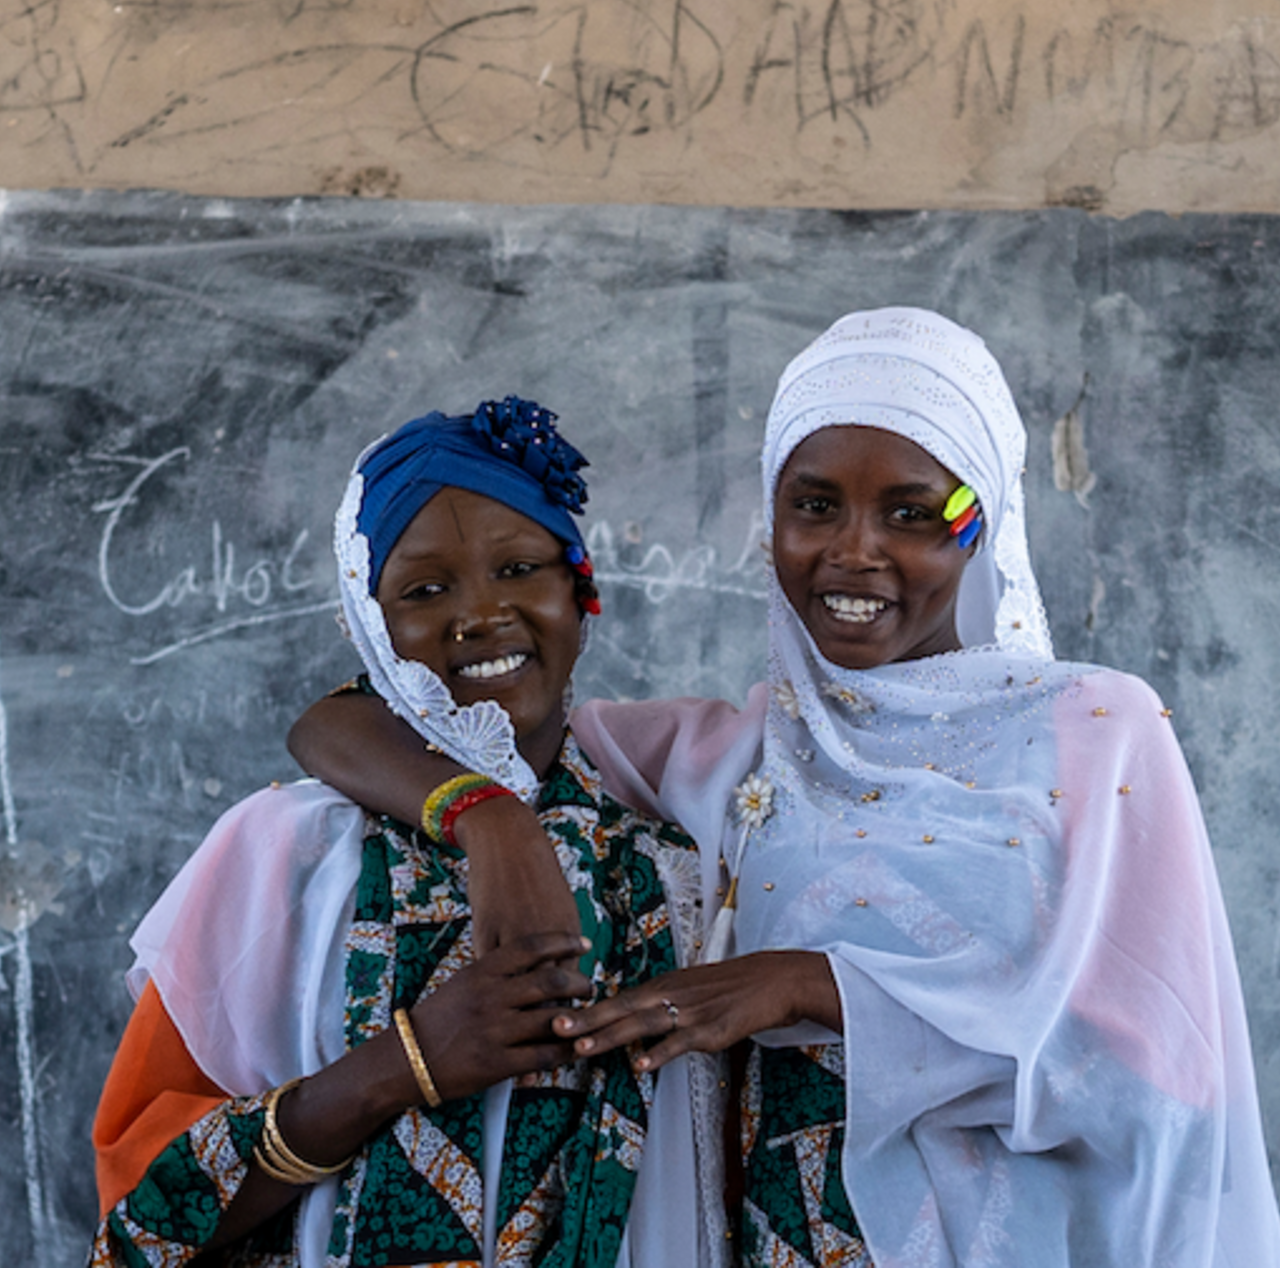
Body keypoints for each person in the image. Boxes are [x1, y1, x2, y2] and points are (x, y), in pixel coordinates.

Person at [289, 309, 1280, 1267]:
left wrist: (807, 983)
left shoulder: (1093, 730)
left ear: (981, 520)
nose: (854, 549)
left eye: (912, 510)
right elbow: (353, 715)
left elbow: (1166, 1071)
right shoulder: (731, 754)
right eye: (812, 504)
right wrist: (490, 816)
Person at [89, 396, 727, 1268]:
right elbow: (139, 1198)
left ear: (581, 593)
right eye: (425, 590)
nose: (480, 614)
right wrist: (408, 1063)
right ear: (370, 624)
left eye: (520, 569)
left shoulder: (668, 864)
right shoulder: (287, 852)